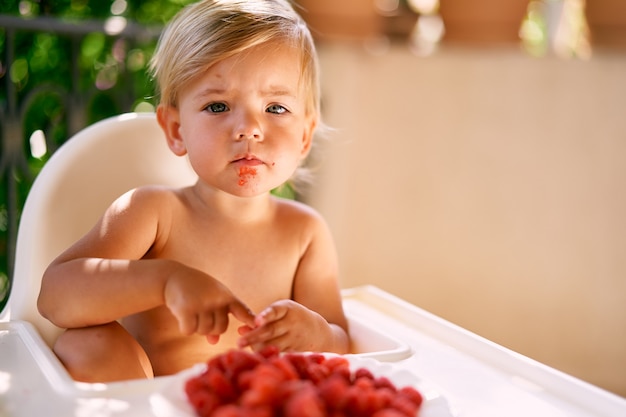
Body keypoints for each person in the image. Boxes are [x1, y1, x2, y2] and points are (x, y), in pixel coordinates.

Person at [37, 0, 349, 383]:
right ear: (176, 130)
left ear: (304, 136)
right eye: (218, 105)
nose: (249, 128)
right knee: (88, 345)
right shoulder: (153, 213)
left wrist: (317, 334)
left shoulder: (304, 234)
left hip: (256, 405)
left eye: (276, 108)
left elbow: (343, 341)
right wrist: (165, 280)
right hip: (151, 407)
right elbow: (55, 298)